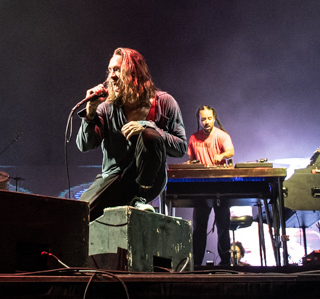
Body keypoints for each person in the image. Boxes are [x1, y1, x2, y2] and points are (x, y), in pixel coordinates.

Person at [76, 48, 186, 219]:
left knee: (149, 135)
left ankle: (139, 197)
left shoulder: (164, 103)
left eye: (118, 70)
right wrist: (90, 113)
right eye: (110, 70)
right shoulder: (106, 108)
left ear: (135, 72)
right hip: (115, 179)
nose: (111, 76)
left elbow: (180, 148)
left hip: (149, 183)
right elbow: (84, 145)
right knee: (77, 216)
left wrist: (147, 127)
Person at [187, 106, 235, 266]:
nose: (206, 122)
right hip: (200, 186)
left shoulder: (222, 135)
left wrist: (221, 155)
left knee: (223, 226)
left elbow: (231, 151)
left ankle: (225, 263)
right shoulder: (194, 138)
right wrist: (188, 165)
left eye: (209, 118)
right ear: (199, 120)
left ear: (214, 118)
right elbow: (191, 160)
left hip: (220, 185)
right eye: (203, 119)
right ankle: (196, 264)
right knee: (199, 228)